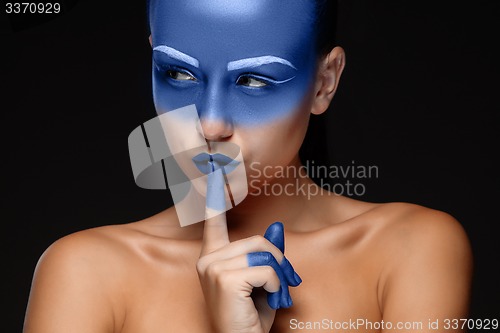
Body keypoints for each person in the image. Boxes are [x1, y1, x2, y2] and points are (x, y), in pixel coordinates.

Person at [23, 0, 473, 332]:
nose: (211, 122)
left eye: (254, 80)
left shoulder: (409, 250)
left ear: (324, 82)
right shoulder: (83, 271)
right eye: (178, 74)